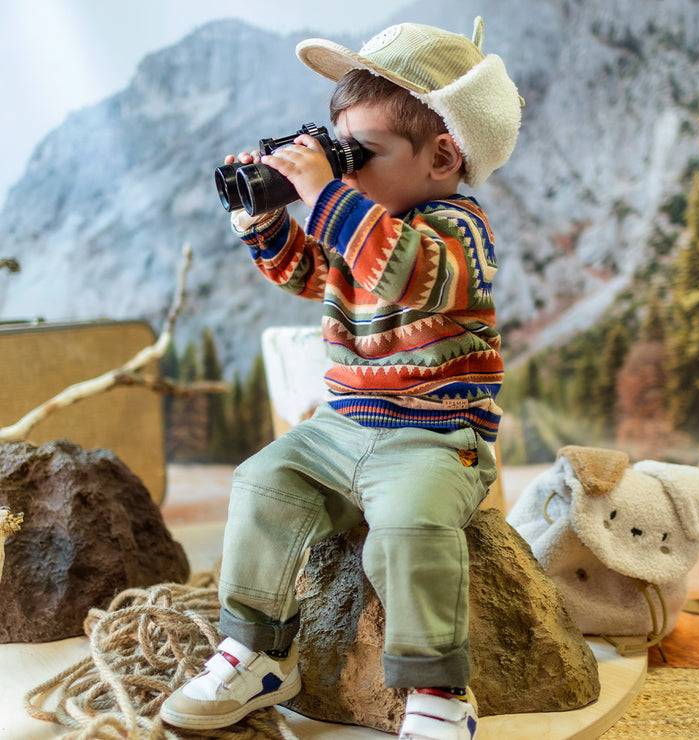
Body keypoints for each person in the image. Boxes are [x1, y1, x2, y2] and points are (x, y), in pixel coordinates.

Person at [161, 16, 522, 740]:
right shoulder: (361, 224)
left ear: (443, 157)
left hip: (433, 434)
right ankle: (255, 652)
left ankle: (438, 690)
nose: (343, 170)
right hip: (343, 427)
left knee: (413, 525)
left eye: (360, 153)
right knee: (262, 482)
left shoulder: (457, 231)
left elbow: (407, 273)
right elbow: (308, 272)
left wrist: (327, 192)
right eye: (338, 151)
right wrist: (262, 215)